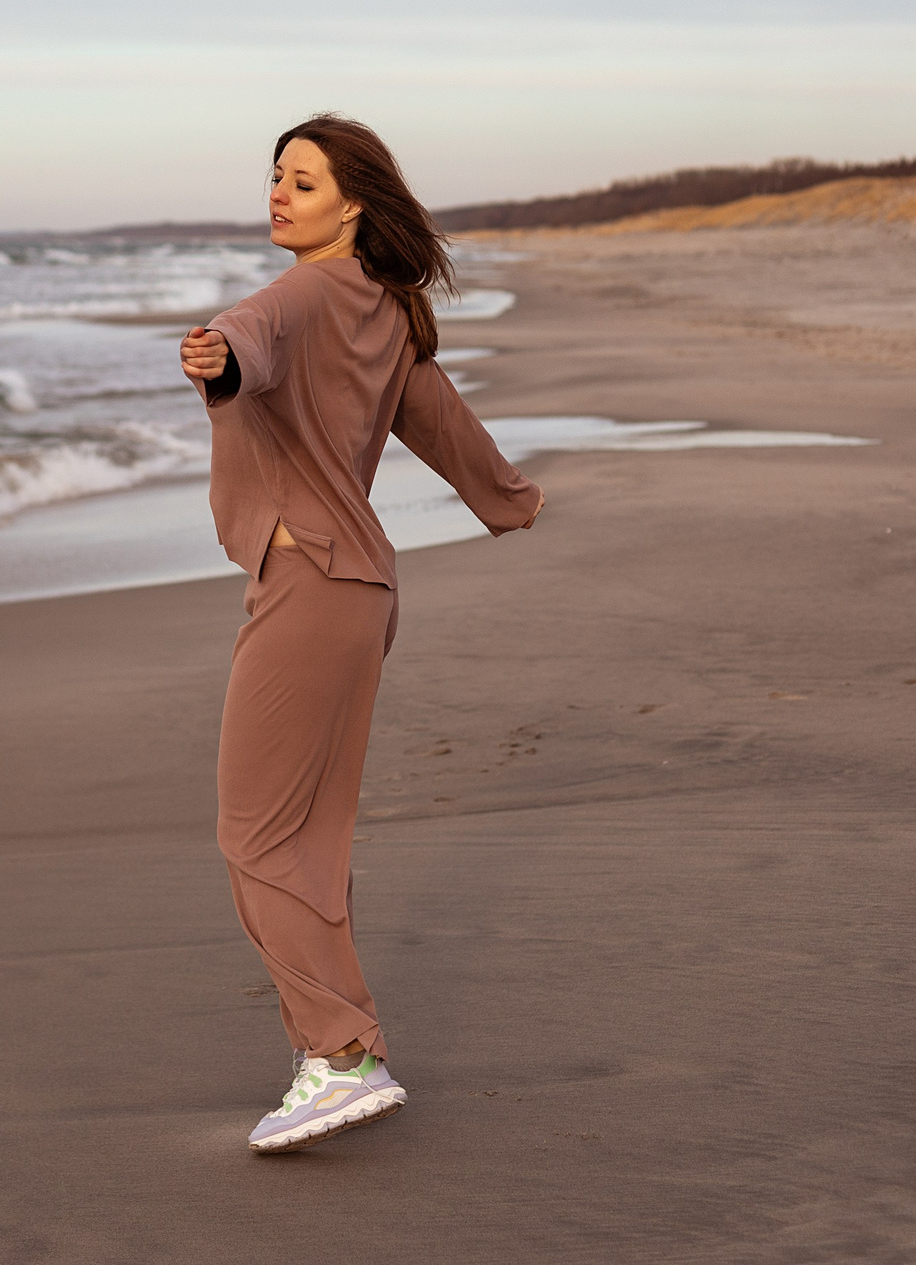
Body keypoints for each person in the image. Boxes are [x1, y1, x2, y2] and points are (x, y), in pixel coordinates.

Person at [179, 115, 544, 1154]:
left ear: (352, 201)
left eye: (303, 180)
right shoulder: (385, 308)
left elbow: (249, 335)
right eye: (275, 177)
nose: (279, 194)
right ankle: (338, 1050)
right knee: (306, 834)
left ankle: (339, 1054)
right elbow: (434, 413)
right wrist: (509, 498)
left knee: (255, 833)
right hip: (362, 588)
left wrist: (217, 358)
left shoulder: (295, 295)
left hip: (309, 583)